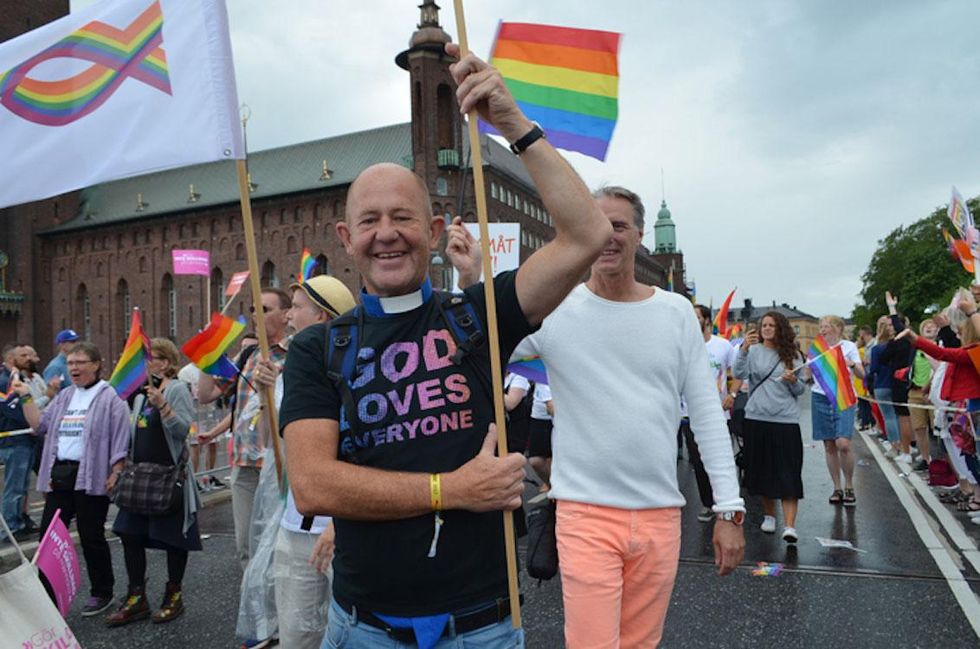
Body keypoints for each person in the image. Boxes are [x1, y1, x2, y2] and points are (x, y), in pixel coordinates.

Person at [280, 41, 611, 648]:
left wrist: (513, 123)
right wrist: (451, 490)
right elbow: (314, 485)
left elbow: (588, 233)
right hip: (364, 629)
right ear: (345, 238)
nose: (387, 235)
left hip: (481, 626)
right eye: (370, 221)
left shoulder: (479, 315)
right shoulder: (316, 348)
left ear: (434, 231)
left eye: (403, 218)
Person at [512, 186, 745, 648]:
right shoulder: (556, 310)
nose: (607, 237)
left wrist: (729, 510)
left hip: (659, 516)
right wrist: (470, 277)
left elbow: (705, 415)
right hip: (585, 513)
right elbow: (488, 345)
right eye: (596, 227)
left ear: (639, 235)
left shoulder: (676, 312)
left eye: (618, 226)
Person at [268, 275, 357, 649]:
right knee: (297, 635)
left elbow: (365, 452)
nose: (288, 316)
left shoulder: (358, 371)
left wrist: (340, 520)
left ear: (322, 316)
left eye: (297, 307)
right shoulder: (290, 373)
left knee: (353, 633)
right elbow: (283, 451)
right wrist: (263, 395)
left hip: (345, 531)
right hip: (294, 529)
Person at [23, 341, 130, 617]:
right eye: (70, 363)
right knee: (48, 537)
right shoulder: (65, 396)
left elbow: (120, 439)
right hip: (61, 475)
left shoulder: (110, 398)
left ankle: (102, 591)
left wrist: (116, 471)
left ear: (96, 365)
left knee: (91, 535)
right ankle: (46, 594)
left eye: (80, 362)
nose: (74, 368)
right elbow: (40, 425)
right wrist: (25, 398)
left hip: (92, 477)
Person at [107, 338, 202, 627]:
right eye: (150, 359)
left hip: (168, 478)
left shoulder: (176, 390)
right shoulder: (138, 396)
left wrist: (164, 407)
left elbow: (184, 429)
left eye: (159, 358)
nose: (154, 364)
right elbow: (131, 437)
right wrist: (118, 469)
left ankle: (173, 595)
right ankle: (137, 597)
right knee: (128, 533)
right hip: (140, 479)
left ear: (169, 361)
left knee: (174, 540)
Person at [197, 288, 291, 571]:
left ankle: (280, 609)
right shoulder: (247, 354)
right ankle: (254, 609)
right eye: (253, 310)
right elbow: (207, 394)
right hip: (243, 463)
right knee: (246, 546)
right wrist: (207, 355)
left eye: (264, 309)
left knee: (279, 543)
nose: (255, 316)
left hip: (279, 464)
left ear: (286, 315)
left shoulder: (298, 353)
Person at [736, 312, 806, 541]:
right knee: (762, 471)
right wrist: (743, 349)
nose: (766, 328)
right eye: (763, 325)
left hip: (785, 420)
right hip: (757, 418)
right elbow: (738, 373)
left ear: (780, 329)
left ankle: (790, 526)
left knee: (788, 472)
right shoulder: (753, 351)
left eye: (771, 325)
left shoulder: (792, 355)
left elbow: (800, 390)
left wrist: (793, 381)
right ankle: (769, 515)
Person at [687, 304, 742, 522]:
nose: (692, 319)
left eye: (697, 316)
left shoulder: (723, 346)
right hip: (687, 412)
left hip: (718, 411)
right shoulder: (685, 345)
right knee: (699, 462)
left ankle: (727, 502)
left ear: (707, 320)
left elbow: (738, 374)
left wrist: (733, 395)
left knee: (721, 458)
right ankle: (708, 503)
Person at [809, 315, 864, 506]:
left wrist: (852, 364)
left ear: (838, 328)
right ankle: (837, 488)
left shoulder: (848, 347)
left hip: (843, 396)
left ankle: (849, 484)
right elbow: (808, 376)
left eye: (827, 326)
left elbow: (861, 373)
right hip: (820, 396)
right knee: (829, 445)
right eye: (821, 327)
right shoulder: (816, 349)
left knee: (843, 443)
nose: (823, 330)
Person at [0, 360, 40, 544]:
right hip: (14, 442)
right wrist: (32, 420)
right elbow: (13, 411)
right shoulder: (4, 382)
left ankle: (17, 522)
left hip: (23, 441)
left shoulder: (15, 379)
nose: (32, 358)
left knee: (21, 487)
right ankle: (10, 528)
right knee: (14, 487)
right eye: (23, 355)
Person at [907, 319, 938, 472]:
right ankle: (926, 459)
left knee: (937, 428)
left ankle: (942, 462)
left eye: (932, 325)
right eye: (925, 326)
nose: (929, 327)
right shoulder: (915, 348)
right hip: (915, 391)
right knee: (919, 427)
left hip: (933, 392)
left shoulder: (941, 347)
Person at [526, 382, 554, 488]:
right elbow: (550, 406)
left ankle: (557, 495)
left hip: (561, 418)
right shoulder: (541, 373)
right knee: (536, 461)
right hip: (539, 418)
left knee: (554, 459)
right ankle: (552, 487)